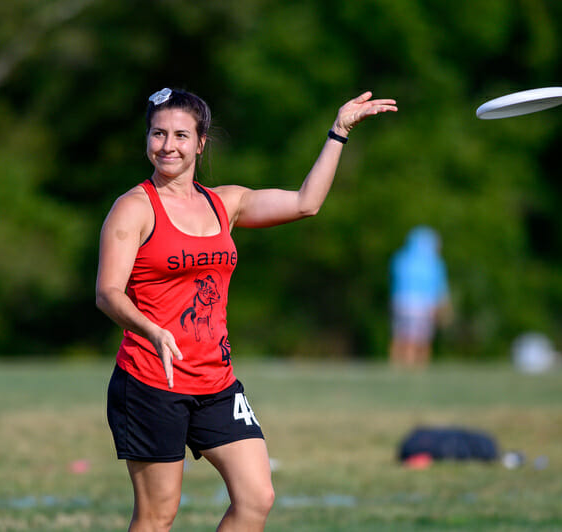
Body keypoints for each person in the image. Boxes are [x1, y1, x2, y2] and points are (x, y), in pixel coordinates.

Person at [95, 87, 397, 531]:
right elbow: (108, 293)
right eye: (158, 134)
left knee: (257, 496)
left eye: (180, 135)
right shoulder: (134, 208)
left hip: (216, 381)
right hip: (151, 380)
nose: (167, 146)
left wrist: (339, 131)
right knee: (158, 516)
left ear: (200, 142)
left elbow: (305, 203)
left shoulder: (226, 202)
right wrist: (151, 330)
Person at [388, 226, 450, 368]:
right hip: (424, 306)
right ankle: (417, 370)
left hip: (401, 303)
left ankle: (397, 368)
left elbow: (396, 283)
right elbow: (440, 290)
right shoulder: (435, 263)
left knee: (400, 339)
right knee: (422, 342)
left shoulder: (401, 258)